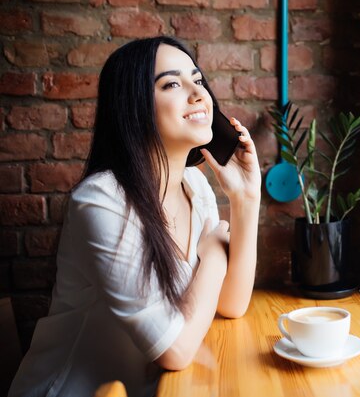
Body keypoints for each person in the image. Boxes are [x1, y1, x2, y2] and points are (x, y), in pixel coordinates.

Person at [9, 36, 261, 397]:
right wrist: (217, 253)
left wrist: (246, 198)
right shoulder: (101, 200)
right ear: (134, 106)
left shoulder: (196, 186)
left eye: (198, 80)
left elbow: (231, 305)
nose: (198, 94)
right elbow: (174, 351)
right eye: (172, 83)